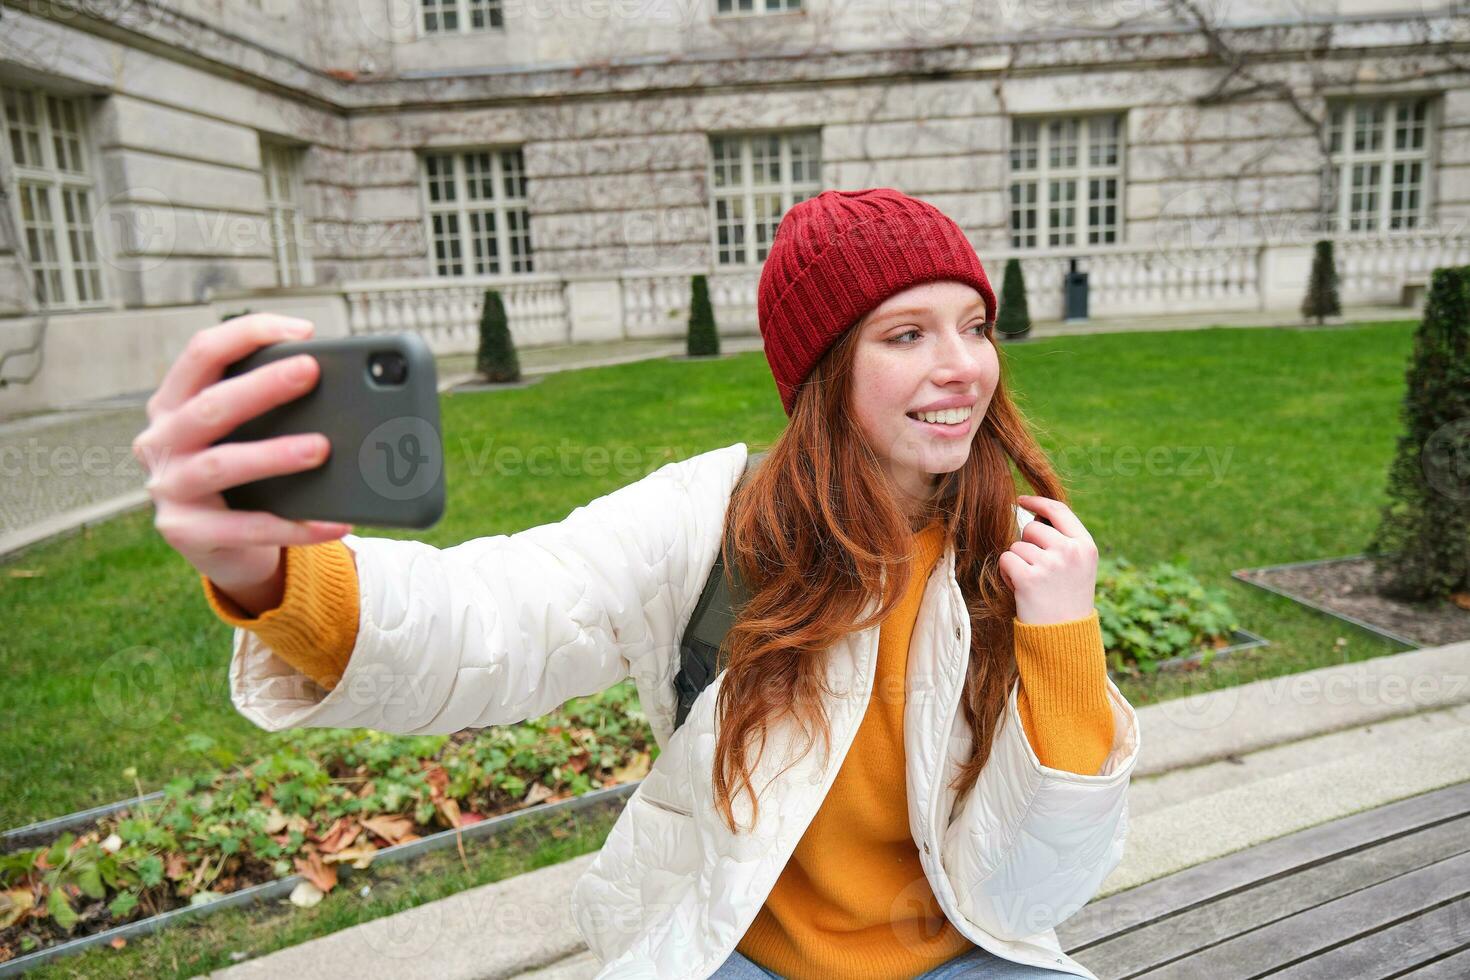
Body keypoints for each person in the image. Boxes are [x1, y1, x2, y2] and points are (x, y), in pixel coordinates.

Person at [133, 187, 1139, 980]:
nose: (963, 364)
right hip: (742, 954)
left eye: (974, 324)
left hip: (965, 952)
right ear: (825, 369)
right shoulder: (715, 525)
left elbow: (1033, 887)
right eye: (907, 333)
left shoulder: (1019, 556)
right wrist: (270, 570)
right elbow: (501, 614)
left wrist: (1064, 640)